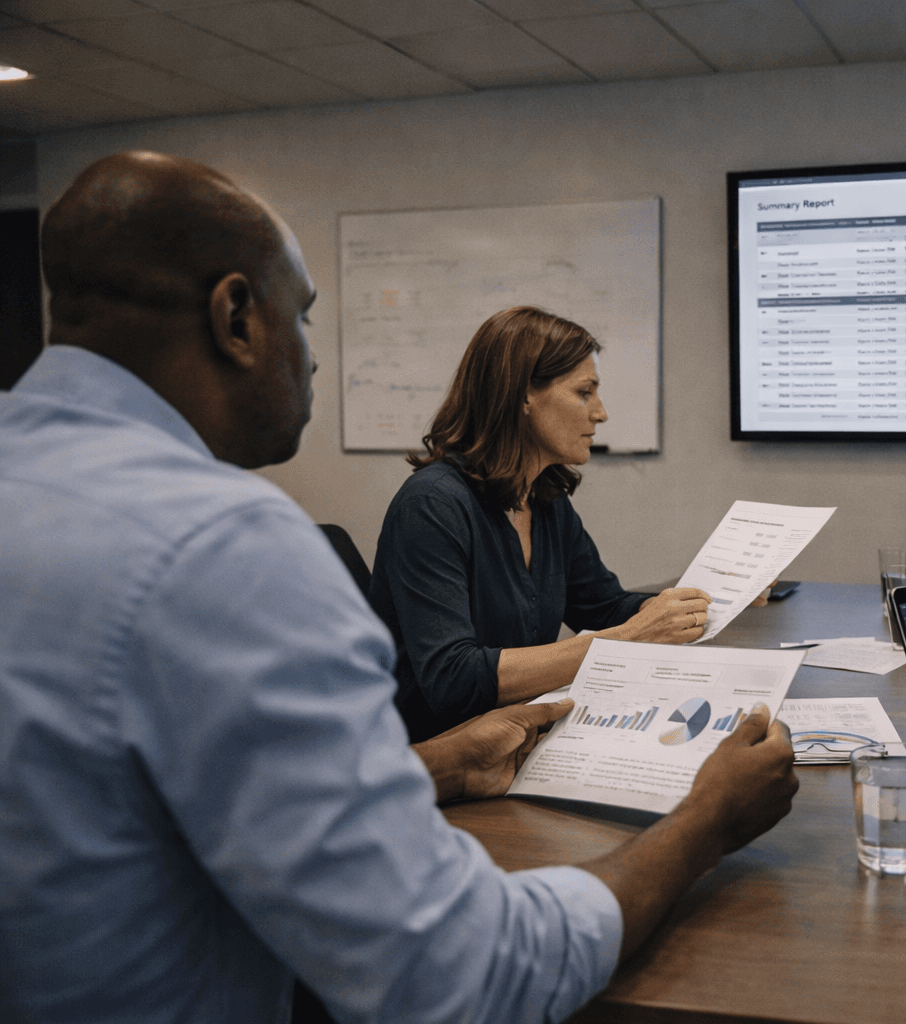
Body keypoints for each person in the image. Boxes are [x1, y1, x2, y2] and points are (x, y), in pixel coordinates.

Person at [0, 151, 798, 1024]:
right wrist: (707, 822)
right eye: (302, 320)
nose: (314, 365)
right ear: (235, 315)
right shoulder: (226, 544)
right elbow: (465, 973)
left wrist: (432, 767)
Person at [370, 306, 741, 741]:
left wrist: (704, 600)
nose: (600, 413)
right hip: (436, 763)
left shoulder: (544, 500)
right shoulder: (431, 506)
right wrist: (628, 640)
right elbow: (455, 680)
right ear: (524, 394)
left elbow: (605, 608)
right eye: (585, 392)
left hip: (518, 740)